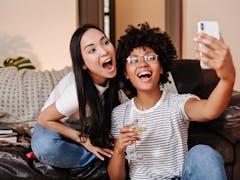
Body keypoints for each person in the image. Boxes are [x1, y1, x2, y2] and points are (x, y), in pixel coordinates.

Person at [108, 22, 235, 179]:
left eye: (150, 57)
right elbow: (116, 178)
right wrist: (119, 150)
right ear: (126, 73)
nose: (143, 63)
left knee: (202, 153)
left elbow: (209, 110)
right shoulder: (119, 114)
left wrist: (227, 78)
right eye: (134, 60)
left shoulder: (178, 103)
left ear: (161, 67)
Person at [31, 24, 121, 168]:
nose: (104, 51)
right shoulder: (76, 92)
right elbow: (43, 119)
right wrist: (86, 142)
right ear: (83, 64)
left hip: (86, 127)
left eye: (105, 42)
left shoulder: (116, 74)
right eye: (92, 50)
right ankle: (100, 160)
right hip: (53, 125)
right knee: (46, 147)